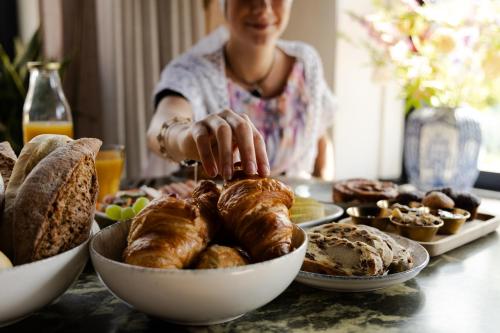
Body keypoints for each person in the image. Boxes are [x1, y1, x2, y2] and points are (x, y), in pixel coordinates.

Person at [147, 0, 336, 181]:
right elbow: (161, 124)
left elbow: (319, 137)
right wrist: (185, 137)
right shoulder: (191, 72)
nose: (263, 6)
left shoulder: (305, 63)